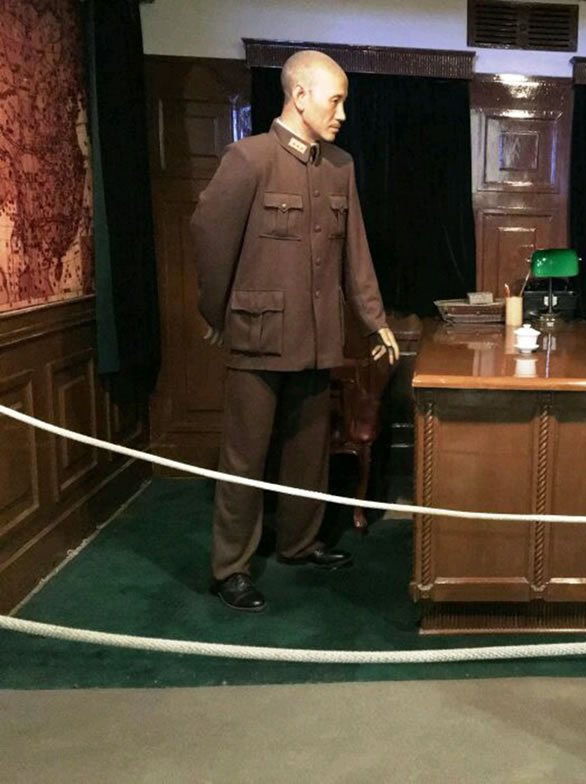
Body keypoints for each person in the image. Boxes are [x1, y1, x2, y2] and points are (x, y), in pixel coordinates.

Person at [191, 50, 399, 612]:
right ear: (300, 96)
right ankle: (230, 567)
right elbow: (210, 237)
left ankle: (299, 544)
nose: (342, 114)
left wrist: (374, 320)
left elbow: (356, 252)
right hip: (258, 336)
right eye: (335, 101)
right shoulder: (249, 158)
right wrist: (216, 313)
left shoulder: (340, 166)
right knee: (245, 457)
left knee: (308, 451)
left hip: (317, 336)